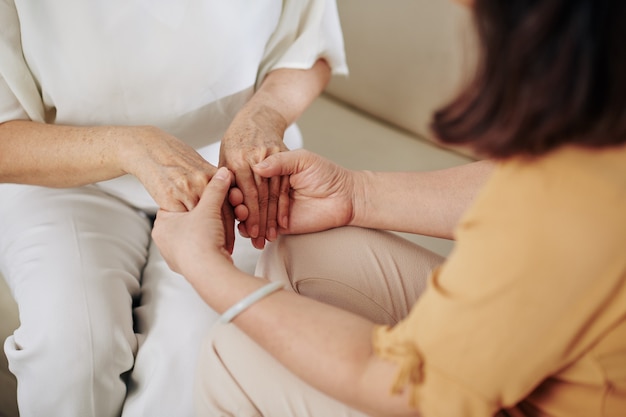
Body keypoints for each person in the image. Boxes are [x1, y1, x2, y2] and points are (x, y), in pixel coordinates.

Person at [151, 0, 626, 416]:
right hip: (558, 358)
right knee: (311, 251)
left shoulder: (571, 206)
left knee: (233, 355)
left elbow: (401, 385)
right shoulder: (588, 161)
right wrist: (356, 195)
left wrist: (209, 271)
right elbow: (520, 194)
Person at [0, 1, 347, 416]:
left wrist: (265, 115)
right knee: (67, 353)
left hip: (232, 176)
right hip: (64, 175)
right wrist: (129, 146)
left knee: (195, 365)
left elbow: (309, 47)